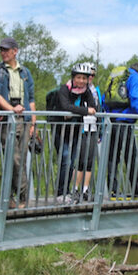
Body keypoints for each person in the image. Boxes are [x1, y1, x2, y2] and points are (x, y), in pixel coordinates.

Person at [0, 37, 36, 208]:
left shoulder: (25, 72)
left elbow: (31, 98)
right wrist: (10, 108)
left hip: (24, 118)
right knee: (12, 158)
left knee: (21, 158)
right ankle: (21, 197)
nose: (3, 53)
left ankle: (11, 197)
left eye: (6, 50)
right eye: (1, 50)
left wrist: (33, 122)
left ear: (15, 51)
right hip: (7, 119)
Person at [103, 62, 138, 199]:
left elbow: (105, 99)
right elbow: (136, 98)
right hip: (125, 121)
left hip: (112, 120)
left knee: (112, 157)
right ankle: (136, 190)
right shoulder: (135, 77)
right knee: (131, 156)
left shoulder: (117, 77)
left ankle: (112, 190)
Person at [54, 63, 98, 203]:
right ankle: (61, 193)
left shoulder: (86, 91)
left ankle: (67, 192)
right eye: (78, 78)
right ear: (73, 78)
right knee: (65, 160)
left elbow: (94, 107)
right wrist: (84, 111)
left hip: (75, 130)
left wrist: (76, 111)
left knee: (72, 162)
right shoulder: (64, 89)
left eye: (84, 78)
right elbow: (65, 106)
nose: (81, 81)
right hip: (61, 130)